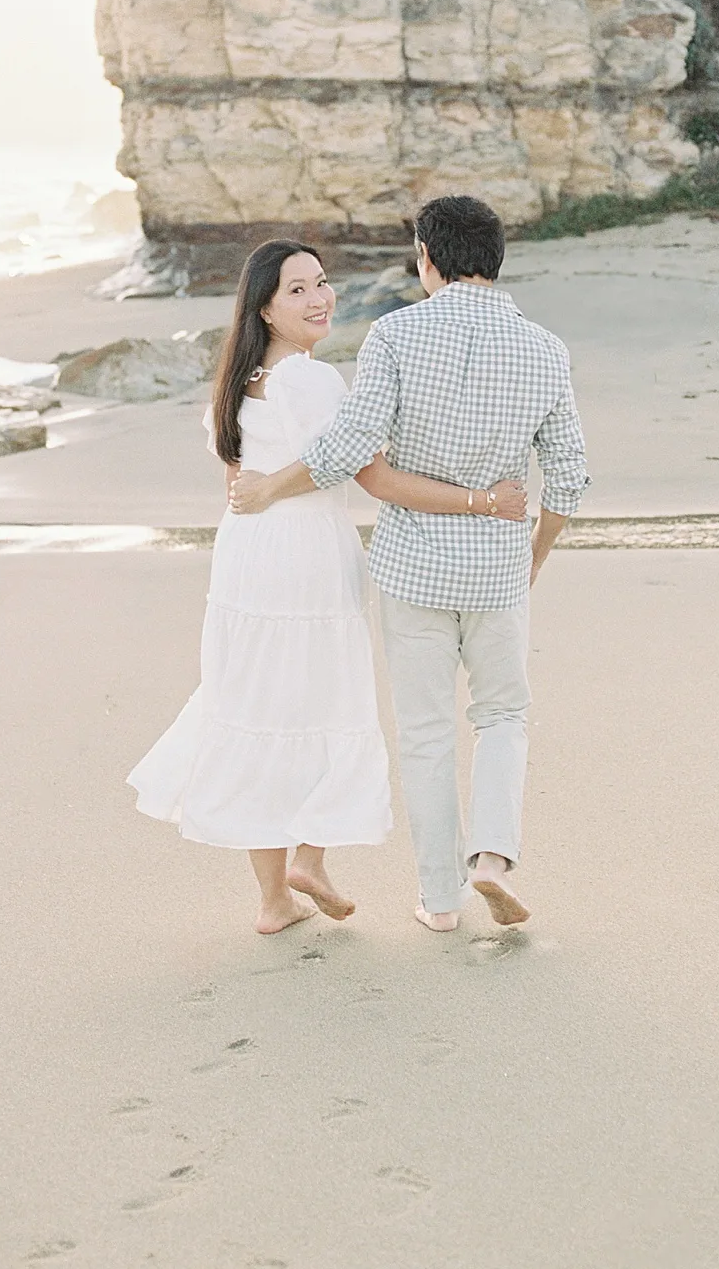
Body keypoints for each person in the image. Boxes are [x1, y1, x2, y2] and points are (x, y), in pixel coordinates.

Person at [127, 238, 530, 937]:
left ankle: (273, 898)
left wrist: (267, 487)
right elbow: (363, 472)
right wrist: (484, 500)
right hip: (305, 553)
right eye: (298, 290)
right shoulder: (310, 380)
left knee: (255, 699)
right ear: (266, 306)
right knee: (321, 699)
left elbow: (237, 475)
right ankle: (308, 856)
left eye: (321, 282)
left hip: (246, 556)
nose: (320, 298)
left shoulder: (239, 377)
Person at [229, 196, 588, 934]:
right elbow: (572, 476)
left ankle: (441, 901)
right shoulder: (545, 348)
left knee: (425, 733)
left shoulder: (395, 334)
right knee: (503, 717)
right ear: (495, 259)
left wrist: (266, 484)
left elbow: (346, 447)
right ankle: (491, 860)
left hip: (413, 571)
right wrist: (533, 556)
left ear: (427, 257)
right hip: (497, 572)